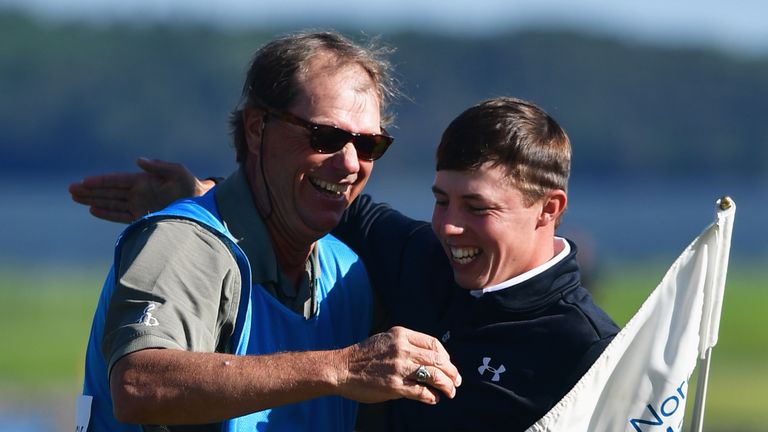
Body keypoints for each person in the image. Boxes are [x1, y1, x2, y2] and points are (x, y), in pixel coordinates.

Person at [72, 97, 619, 431]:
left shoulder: (592, 353)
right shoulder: (422, 257)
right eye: (441, 199)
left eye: (477, 208)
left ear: (549, 210)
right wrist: (205, 196)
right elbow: (320, 197)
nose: (448, 227)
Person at [74, 31, 461, 432]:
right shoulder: (183, 244)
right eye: (326, 137)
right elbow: (138, 383)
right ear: (257, 128)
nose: (349, 164)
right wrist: (341, 367)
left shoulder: (349, 273)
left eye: (369, 146)